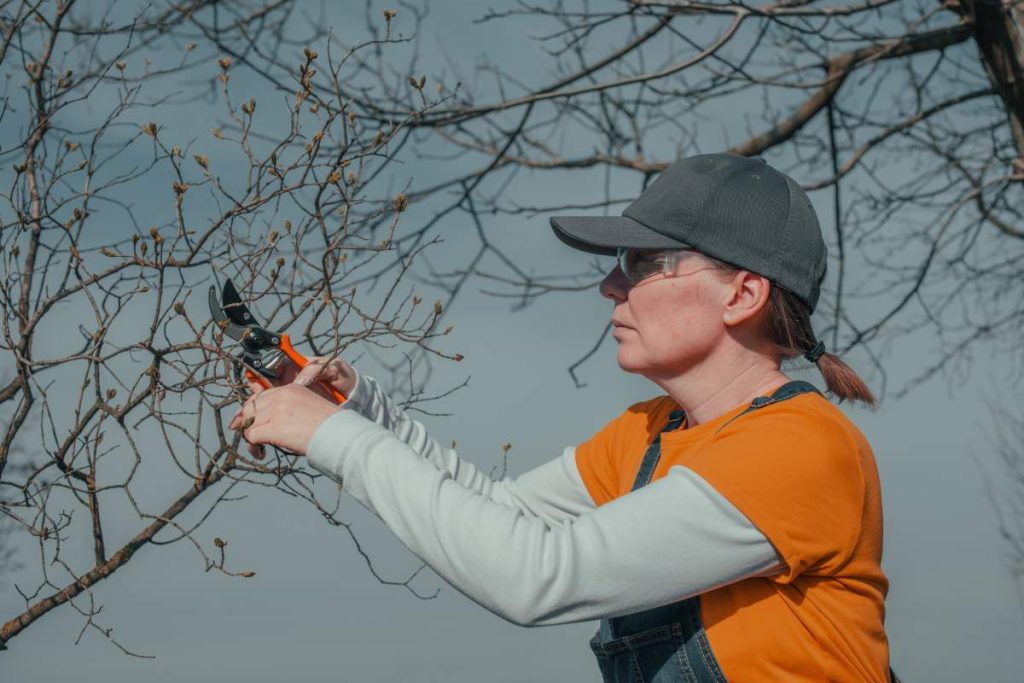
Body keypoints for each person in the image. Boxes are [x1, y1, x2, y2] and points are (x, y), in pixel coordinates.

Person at [229, 153, 893, 682]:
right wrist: (359, 414)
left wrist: (331, 437)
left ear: (743, 292)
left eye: (640, 263)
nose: (610, 285)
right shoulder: (649, 433)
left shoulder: (800, 448)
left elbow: (539, 574)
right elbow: (500, 513)